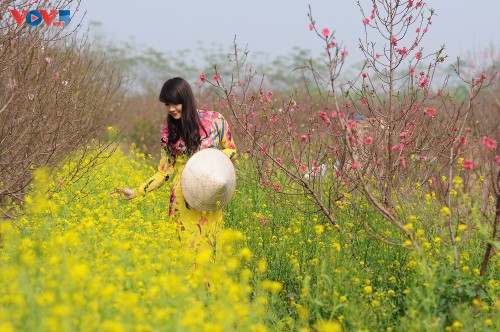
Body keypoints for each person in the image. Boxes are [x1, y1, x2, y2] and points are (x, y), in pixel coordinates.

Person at [115, 77, 237, 255]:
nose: (171, 109)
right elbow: (164, 173)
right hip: (183, 199)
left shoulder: (216, 120)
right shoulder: (168, 132)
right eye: (167, 104)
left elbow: (232, 150)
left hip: (210, 196)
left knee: (210, 257)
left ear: (185, 99)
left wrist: (210, 159)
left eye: (175, 103)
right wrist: (137, 191)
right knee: (186, 256)